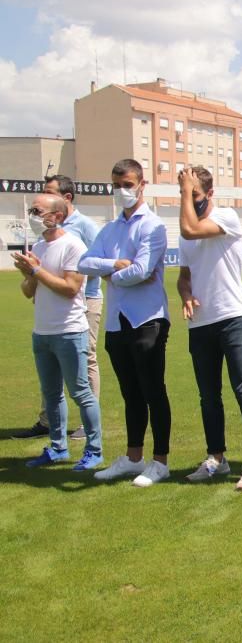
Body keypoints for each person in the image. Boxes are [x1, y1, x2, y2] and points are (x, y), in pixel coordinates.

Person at [79, 159, 172, 487]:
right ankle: (134, 458)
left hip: (147, 319)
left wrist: (110, 274)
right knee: (130, 393)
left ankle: (160, 461)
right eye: (116, 185)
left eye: (128, 184)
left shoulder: (153, 226)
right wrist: (113, 265)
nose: (122, 191)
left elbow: (143, 270)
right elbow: (84, 262)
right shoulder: (110, 228)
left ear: (142, 184)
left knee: (152, 390)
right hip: (117, 322)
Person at [176, 167, 242, 491]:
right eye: (186, 194)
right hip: (201, 323)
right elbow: (184, 277)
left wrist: (186, 192)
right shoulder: (185, 227)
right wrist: (186, 296)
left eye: (195, 195)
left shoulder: (227, 217)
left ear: (210, 194)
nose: (189, 200)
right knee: (208, 396)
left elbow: (190, 229)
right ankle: (217, 458)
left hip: (232, 317)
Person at [15, 194, 103, 470]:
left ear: (58, 216)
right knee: (51, 393)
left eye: (38, 211)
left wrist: (37, 271)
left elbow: (70, 289)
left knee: (81, 393)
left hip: (69, 331)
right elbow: (29, 291)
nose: (33, 216)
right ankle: (57, 448)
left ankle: (94, 450)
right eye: (32, 210)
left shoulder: (74, 246)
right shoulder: (39, 246)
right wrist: (29, 274)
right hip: (42, 332)